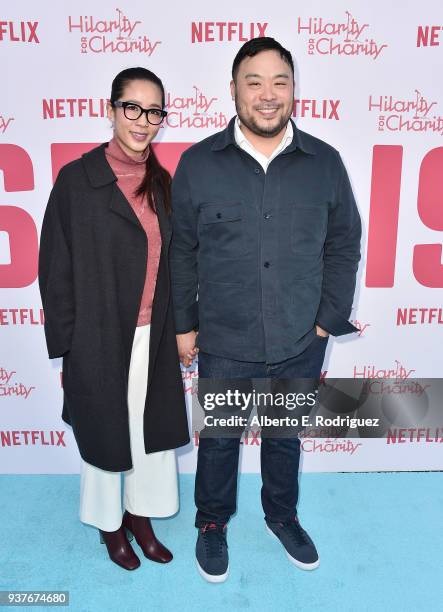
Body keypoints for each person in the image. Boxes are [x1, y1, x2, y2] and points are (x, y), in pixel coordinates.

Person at [170, 37, 361, 582]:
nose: (267, 94)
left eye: (280, 81)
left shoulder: (325, 163)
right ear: (233, 89)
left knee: (285, 437)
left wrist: (328, 318)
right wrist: (184, 324)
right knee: (220, 439)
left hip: (302, 337)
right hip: (224, 339)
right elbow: (182, 250)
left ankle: (282, 516)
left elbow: (345, 241)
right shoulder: (198, 164)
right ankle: (212, 524)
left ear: (294, 90)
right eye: (254, 81)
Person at [38, 67, 189, 571]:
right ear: (111, 109)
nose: (143, 121)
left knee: (150, 431)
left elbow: (177, 263)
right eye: (132, 108)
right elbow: (54, 265)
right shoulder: (77, 181)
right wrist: (67, 343)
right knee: (106, 429)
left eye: (153, 112)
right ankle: (110, 525)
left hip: (155, 332)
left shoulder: (163, 182)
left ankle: (141, 516)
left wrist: (185, 326)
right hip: (98, 336)